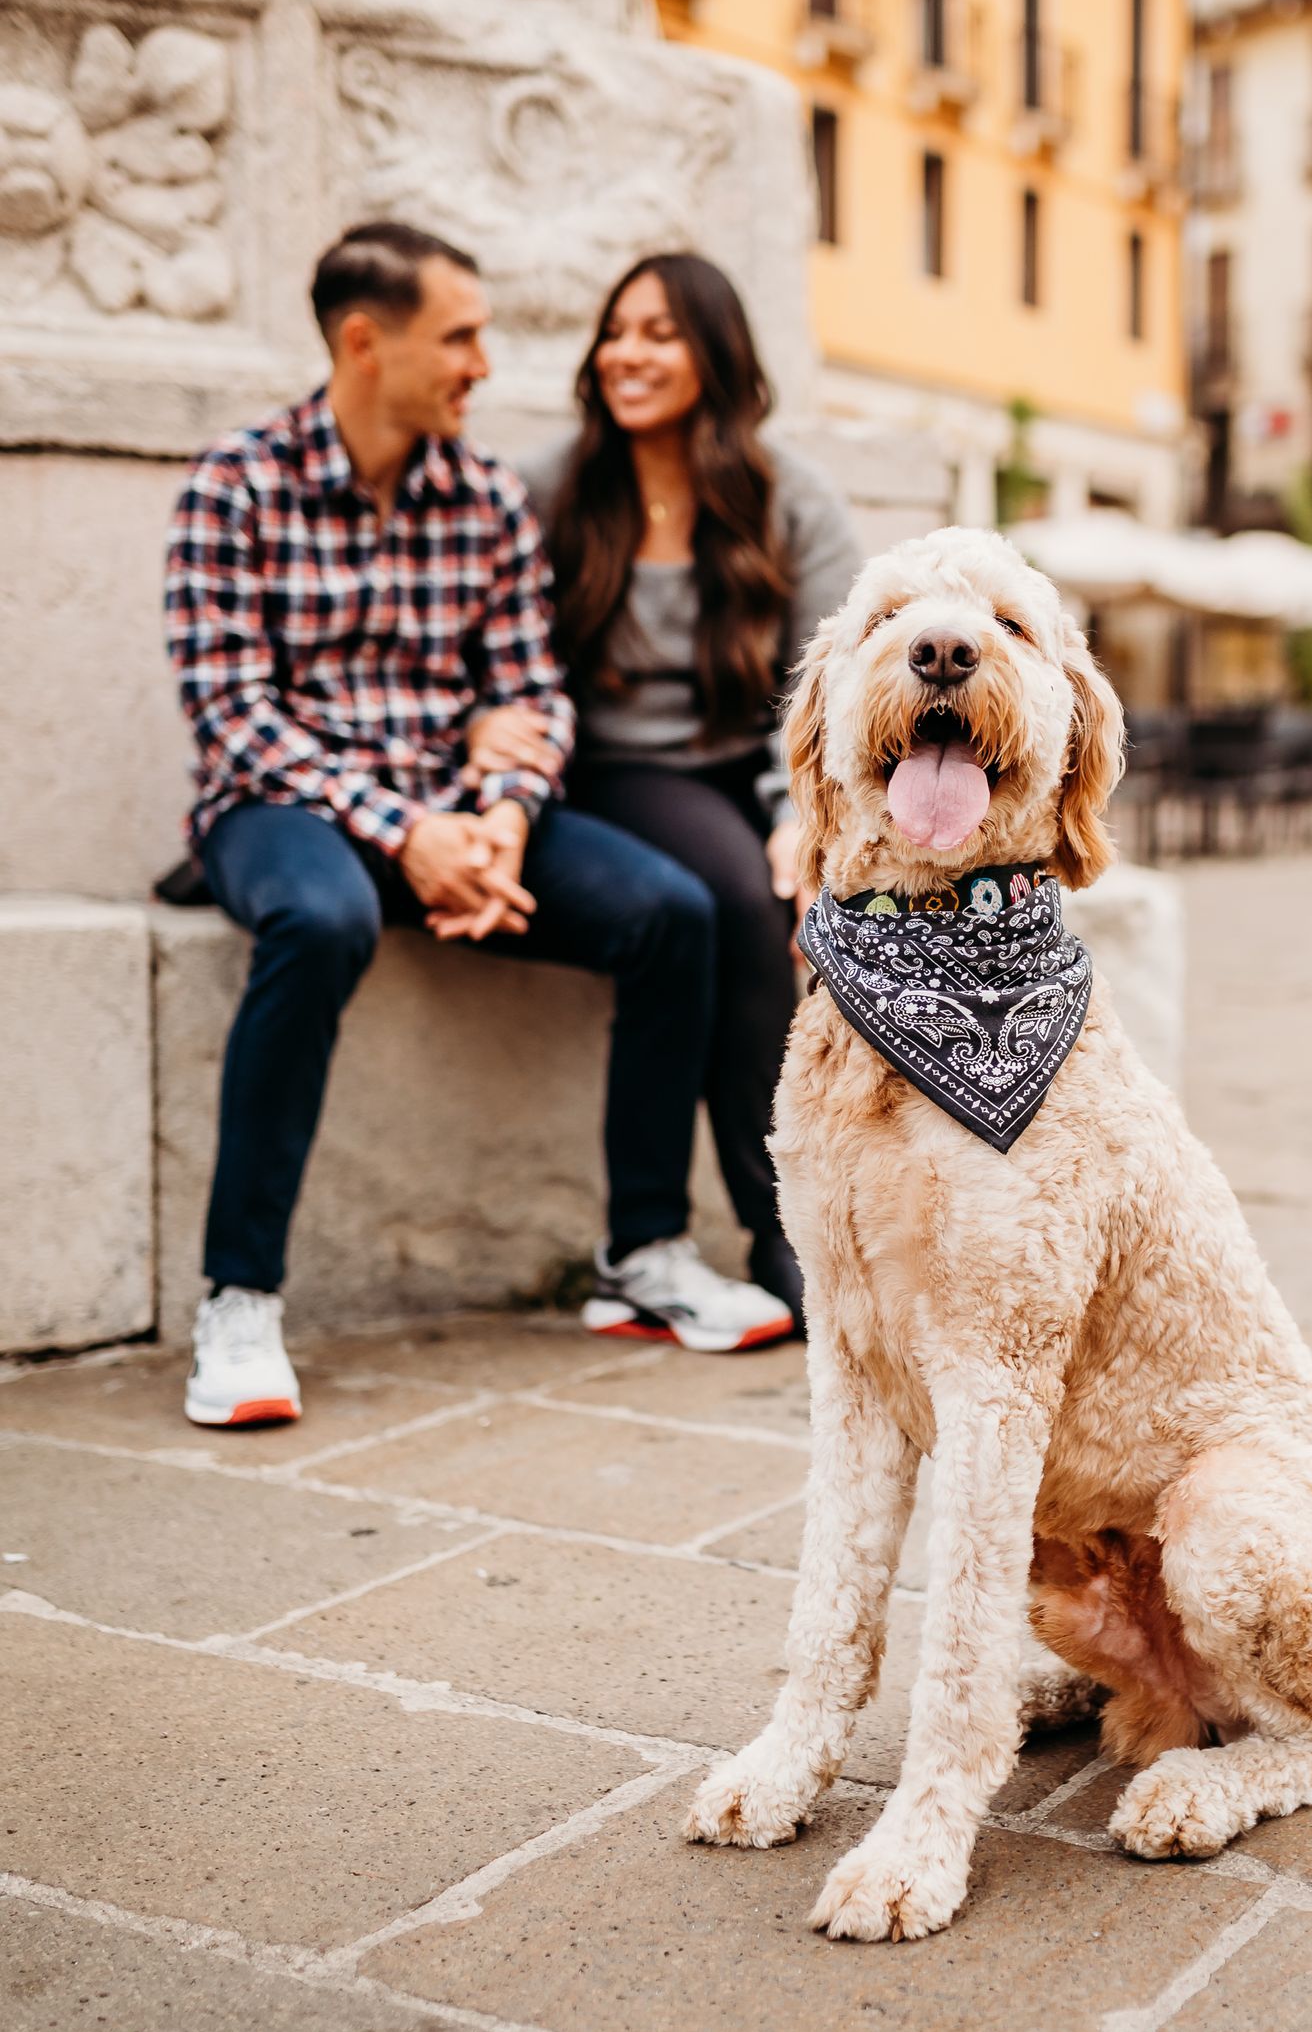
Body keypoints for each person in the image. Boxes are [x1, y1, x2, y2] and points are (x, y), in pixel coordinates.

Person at [166, 221, 795, 1431]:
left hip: (462, 821)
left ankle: (643, 1253)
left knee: (671, 910)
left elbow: (531, 691)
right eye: (460, 337)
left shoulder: (487, 495)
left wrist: (503, 819)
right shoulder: (232, 486)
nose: (483, 364)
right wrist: (407, 831)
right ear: (366, 341)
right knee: (319, 915)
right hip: (289, 811)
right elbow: (233, 720)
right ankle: (239, 1296)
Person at [467, 251, 860, 1335]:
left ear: (716, 356)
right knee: (740, 905)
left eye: (660, 334)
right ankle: (781, 1235)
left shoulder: (787, 498)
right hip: (598, 774)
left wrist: (801, 819)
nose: (628, 354)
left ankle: (826, 1227)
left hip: (742, 772)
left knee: (789, 899)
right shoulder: (549, 487)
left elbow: (826, 684)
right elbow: (474, 645)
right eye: (617, 331)